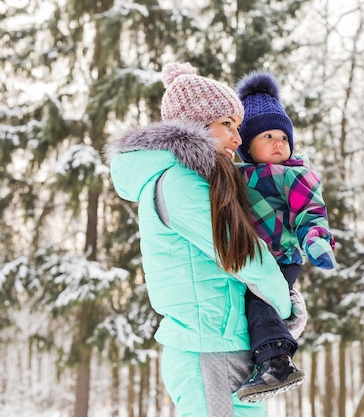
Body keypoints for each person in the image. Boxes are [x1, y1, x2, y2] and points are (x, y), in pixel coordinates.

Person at [104, 62, 293, 417]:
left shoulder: (198, 180)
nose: (238, 139)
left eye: (237, 127)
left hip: (230, 348)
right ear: (194, 124)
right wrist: (285, 307)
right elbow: (241, 254)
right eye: (227, 125)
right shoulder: (179, 182)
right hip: (209, 351)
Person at [233, 72, 337, 403]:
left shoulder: (294, 176)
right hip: (249, 258)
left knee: (260, 303)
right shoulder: (237, 176)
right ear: (247, 145)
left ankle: (278, 364)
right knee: (245, 308)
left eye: (283, 135)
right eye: (268, 135)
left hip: (282, 257)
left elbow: (310, 211)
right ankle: (262, 361)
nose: (279, 142)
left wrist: (316, 240)